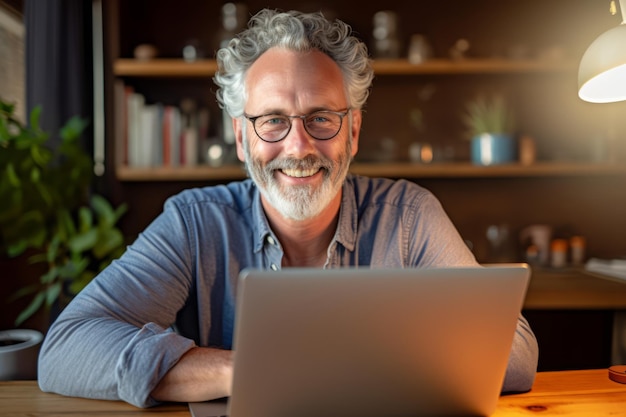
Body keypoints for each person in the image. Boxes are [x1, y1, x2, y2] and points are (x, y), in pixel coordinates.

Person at [38, 8, 538, 408]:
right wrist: (253, 369)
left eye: (321, 117)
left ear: (354, 131)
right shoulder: (193, 223)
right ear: (240, 137)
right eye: (273, 120)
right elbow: (66, 350)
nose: (298, 146)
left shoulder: (409, 214)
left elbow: (513, 351)